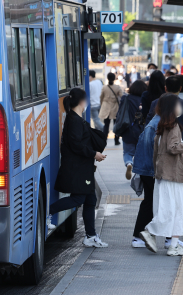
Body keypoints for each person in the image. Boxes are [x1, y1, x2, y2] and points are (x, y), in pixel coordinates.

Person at [139, 93, 183, 256]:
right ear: (172, 107)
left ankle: (173, 245)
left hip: (163, 174)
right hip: (173, 175)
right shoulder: (173, 126)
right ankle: (152, 231)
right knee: (178, 210)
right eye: (177, 104)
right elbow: (173, 148)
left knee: (172, 210)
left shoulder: (161, 125)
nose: (180, 107)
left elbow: (157, 151)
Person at [48, 88, 109, 248]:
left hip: (82, 166)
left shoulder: (75, 118)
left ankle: (90, 236)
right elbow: (76, 145)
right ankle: (48, 211)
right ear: (82, 102)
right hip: (77, 167)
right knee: (78, 199)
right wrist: (94, 154)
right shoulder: (74, 120)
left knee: (90, 199)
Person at [131, 110, 183, 250]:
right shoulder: (162, 124)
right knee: (165, 203)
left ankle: (142, 236)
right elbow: (168, 149)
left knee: (152, 202)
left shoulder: (154, 122)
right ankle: (158, 236)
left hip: (150, 170)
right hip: (155, 170)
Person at [116, 80, 147, 180]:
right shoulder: (145, 99)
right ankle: (139, 174)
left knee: (128, 152)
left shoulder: (126, 98)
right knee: (141, 153)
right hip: (142, 130)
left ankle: (129, 163)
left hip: (128, 129)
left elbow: (120, 113)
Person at [99, 73, 123, 145]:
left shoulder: (104, 87)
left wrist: (102, 105)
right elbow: (122, 97)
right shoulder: (117, 87)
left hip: (106, 107)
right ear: (114, 78)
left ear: (107, 78)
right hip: (115, 107)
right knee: (116, 125)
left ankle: (104, 140)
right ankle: (116, 140)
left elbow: (101, 97)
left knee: (106, 125)